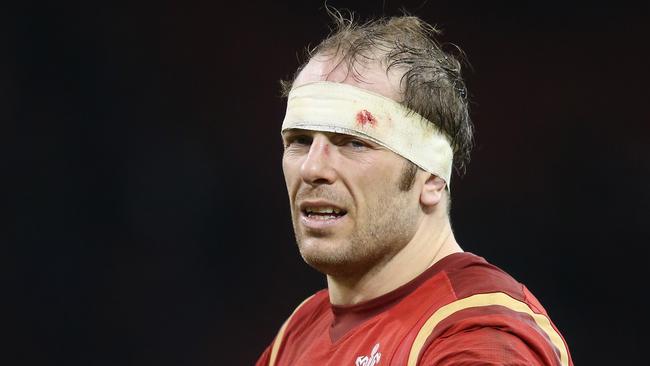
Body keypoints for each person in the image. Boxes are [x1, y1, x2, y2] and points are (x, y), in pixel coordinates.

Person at [257, 9, 573, 366]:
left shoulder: (481, 336)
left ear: (433, 178)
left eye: (353, 143)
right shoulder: (298, 333)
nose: (313, 167)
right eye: (299, 140)